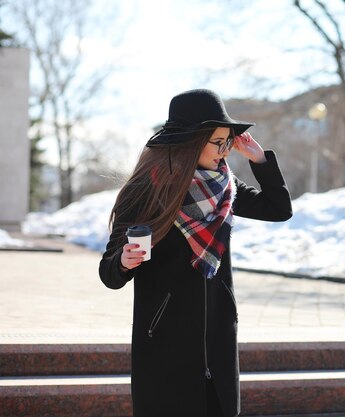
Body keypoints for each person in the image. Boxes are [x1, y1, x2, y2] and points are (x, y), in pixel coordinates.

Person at [99, 89, 292, 417]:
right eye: (219, 142)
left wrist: (259, 159)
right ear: (192, 140)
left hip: (217, 341)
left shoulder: (224, 188)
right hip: (165, 345)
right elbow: (109, 272)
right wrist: (124, 261)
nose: (226, 151)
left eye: (228, 142)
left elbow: (278, 209)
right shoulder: (146, 191)